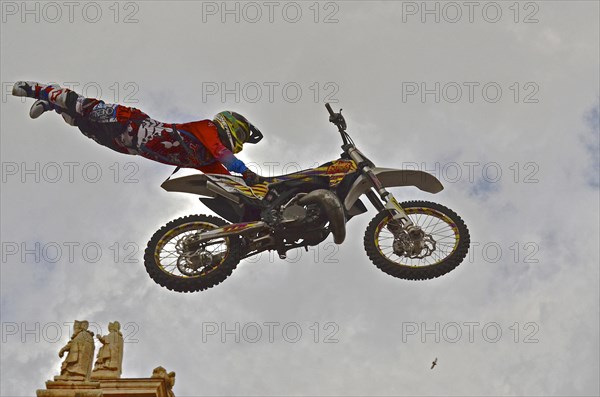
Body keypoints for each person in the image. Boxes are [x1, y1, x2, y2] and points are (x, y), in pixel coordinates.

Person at [12, 81, 265, 185]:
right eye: (240, 134)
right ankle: (39, 90)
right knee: (82, 107)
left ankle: (53, 107)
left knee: (80, 123)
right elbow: (222, 153)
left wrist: (251, 191)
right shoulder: (208, 129)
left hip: (126, 146)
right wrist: (246, 171)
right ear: (230, 124)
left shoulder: (208, 161)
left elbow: (226, 183)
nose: (238, 141)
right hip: (129, 122)